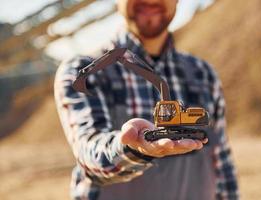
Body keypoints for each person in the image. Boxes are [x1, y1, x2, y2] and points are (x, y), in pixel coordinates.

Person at [54, 0, 239, 199]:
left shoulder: (204, 74)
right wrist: (129, 148)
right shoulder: (83, 71)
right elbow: (89, 152)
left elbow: (222, 166)